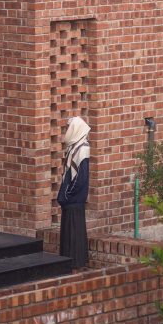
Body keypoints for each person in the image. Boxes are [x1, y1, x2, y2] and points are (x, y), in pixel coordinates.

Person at [56, 115, 90, 269]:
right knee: (69, 232)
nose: (66, 131)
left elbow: (80, 178)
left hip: (74, 200)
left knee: (74, 232)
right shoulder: (74, 147)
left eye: (69, 128)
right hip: (70, 200)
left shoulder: (82, 149)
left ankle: (76, 262)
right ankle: (68, 261)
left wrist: (68, 194)